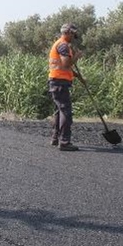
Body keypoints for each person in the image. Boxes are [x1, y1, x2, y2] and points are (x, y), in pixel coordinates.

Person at [48, 23, 83, 151]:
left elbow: (64, 68)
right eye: (73, 35)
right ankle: (64, 141)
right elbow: (67, 64)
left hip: (56, 81)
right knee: (66, 112)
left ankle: (55, 138)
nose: (73, 37)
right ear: (67, 33)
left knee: (59, 111)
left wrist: (79, 77)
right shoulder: (63, 45)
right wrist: (76, 57)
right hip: (59, 83)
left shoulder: (59, 44)